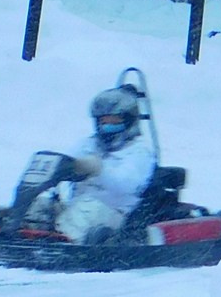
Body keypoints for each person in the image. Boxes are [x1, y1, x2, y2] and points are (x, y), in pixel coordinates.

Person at [39, 83, 157, 242]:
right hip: (76, 207)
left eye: (114, 121)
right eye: (103, 121)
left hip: (115, 213)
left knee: (86, 209)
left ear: (129, 121)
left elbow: (125, 183)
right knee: (41, 206)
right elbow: (67, 160)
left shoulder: (139, 152)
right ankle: (22, 234)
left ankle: (62, 244)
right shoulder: (89, 144)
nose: (107, 126)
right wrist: (59, 169)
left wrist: (97, 168)